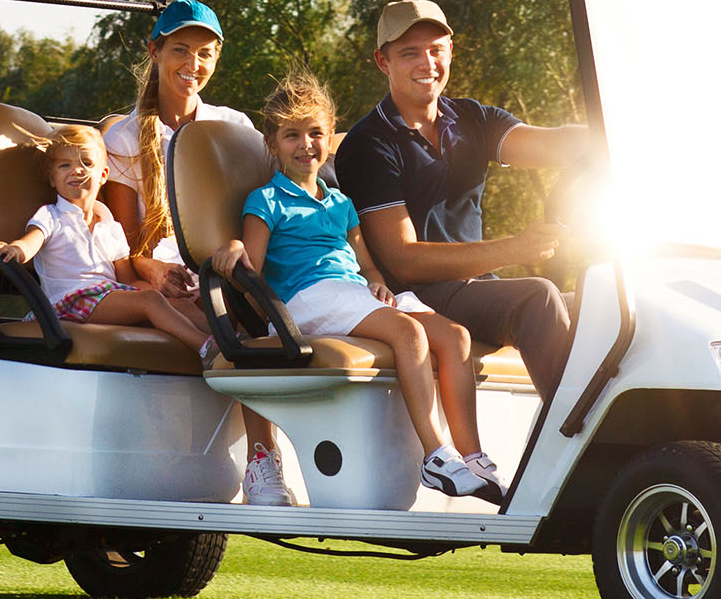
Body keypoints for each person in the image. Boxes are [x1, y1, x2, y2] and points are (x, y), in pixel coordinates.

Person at [211, 72, 503, 503]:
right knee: (409, 333)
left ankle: (472, 457)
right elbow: (250, 271)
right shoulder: (266, 200)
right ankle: (435, 455)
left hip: (351, 293)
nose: (306, 145)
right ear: (273, 144)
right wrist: (235, 248)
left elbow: (366, 265)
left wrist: (379, 285)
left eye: (315, 134)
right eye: (292, 136)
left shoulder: (340, 203)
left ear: (330, 138)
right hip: (307, 297)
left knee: (455, 337)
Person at [334, 0, 590, 399]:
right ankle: (581, 443)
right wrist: (514, 249)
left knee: (603, 302)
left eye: (436, 50)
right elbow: (404, 259)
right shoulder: (369, 144)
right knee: (538, 297)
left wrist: (608, 134)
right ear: (383, 62)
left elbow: (554, 145)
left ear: (450, 51)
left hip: (475, 289)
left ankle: (651, 445)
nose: (427, 63)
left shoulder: (472, 119)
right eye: (409, 54)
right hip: (416, 297)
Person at [99, 0, 294, 507]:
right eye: (181, 50)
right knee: (239, 326)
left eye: (205, 53)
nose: (193, 65)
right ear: (155, 51)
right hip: (155, 278)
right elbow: (127, 246)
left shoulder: (234, 127)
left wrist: (234, 247)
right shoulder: (122, 136)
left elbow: (256, 210)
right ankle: (260, 461)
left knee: (269, 314)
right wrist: (156, 270)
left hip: (223, 268)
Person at [0, 124, 213, 355]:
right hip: (69, 303)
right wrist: (14, 249)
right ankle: (207, 349)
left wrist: (164, 295)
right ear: (52, 179)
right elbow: (31, 241)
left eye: (87, 163)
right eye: (65, 165)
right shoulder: (51, 215)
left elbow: (128, 280)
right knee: (151, 301)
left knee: (176, 303)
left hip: (108, 297)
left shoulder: (109, 225)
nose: (77, 171)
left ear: (103, 175)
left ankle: (230, 342)